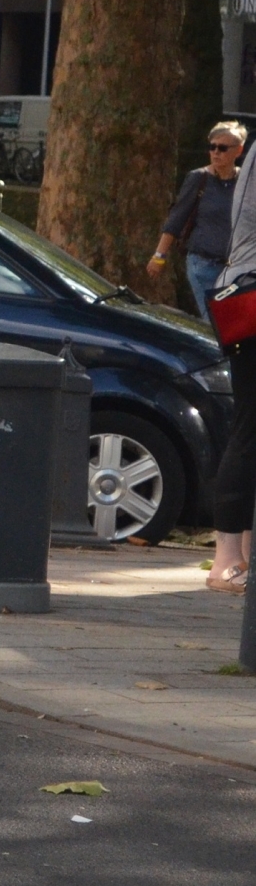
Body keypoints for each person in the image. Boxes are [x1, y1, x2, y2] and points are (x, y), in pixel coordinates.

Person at [206, 164, 256, 589]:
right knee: (249, 428)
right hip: (250, 297)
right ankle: (227, 561)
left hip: (245, 293)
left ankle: (236, 557)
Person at [151, 121, 245, 318]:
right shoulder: (199, 178)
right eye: (212, 147)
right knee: (217, 323)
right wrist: (159, 256)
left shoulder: (245, 182)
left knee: (237, 324)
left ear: (239, 150)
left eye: (222, 148)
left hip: (236, 269)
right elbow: (177, 218)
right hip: (204, 265)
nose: (216, 152)